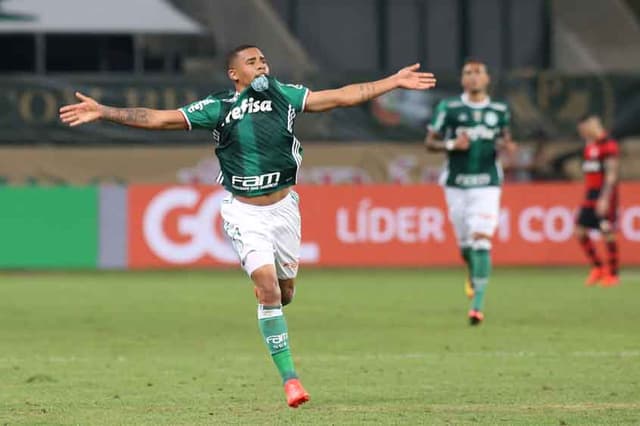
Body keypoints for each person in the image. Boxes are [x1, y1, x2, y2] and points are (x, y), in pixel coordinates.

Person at [59, 45, 436, 407]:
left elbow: (340, 96)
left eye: (264, 61)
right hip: (244, 212)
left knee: (285, 293)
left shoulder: (283, 95)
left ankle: (269, 300)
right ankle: (291, 380)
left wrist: (392, 81)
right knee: (270, 290)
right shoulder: (220, 106)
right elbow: (159, 118)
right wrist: (104, 111)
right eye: (252, 62)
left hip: (285, 208)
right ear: (234, 73)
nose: (262, 67)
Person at [425, 59, 514, 326]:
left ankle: (477, 306)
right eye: (468, 73)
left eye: (478, 73)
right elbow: (429, 142)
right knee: (466, 246)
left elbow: (504, 138)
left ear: (487, 79)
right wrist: (452, 143)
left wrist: (507, 146)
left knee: (482, 240)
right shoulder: (449, 108)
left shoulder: (500, 110)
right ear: (463, 80)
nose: (473, 77)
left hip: (487, 183)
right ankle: (472, 271)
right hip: (456, 184)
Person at [575, 115, 621, 287]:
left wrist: (605, 198)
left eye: (583, 129)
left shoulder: (608, 145)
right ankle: (598, 268)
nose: (582, 133)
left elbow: (611, 174)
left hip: (605, 194)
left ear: (592, 125)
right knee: (579, 230)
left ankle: (613, 274)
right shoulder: (589, 147)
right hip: (590, 194)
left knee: (606, 231)